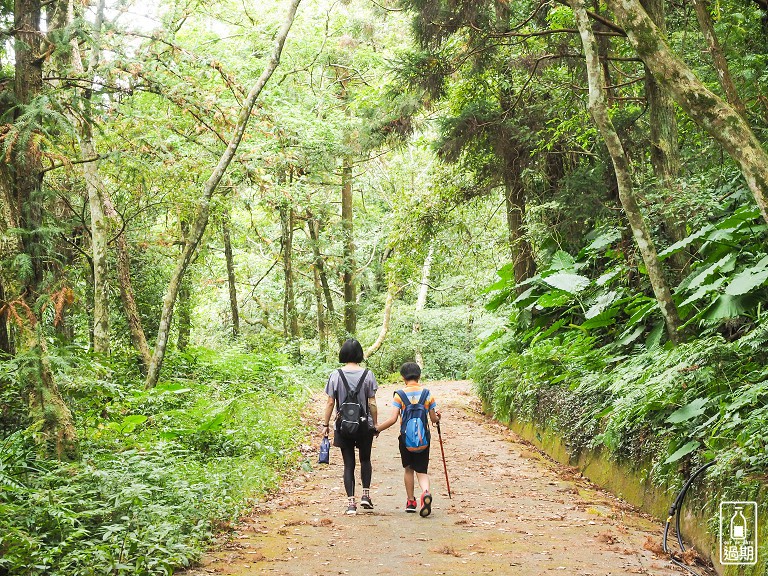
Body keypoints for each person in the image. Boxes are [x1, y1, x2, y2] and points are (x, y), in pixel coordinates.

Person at [376, 361, 441, 517]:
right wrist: (437, 417)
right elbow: (433, 419)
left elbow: (392, 419)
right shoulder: (427, 394)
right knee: (422, 470)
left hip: (405, 439)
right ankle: (425, 492)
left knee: (409, 469)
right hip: (423, 439)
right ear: (419, 376)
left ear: (403, 377)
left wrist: (376, 429)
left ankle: (411, 501)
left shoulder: (399, 395)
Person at [322, 338, 378, 515]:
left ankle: (351, 504)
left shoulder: (335, 375)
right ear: (360, 354)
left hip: (343, 425)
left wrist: (325, 424)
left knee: (348, 465)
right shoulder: (368, 374)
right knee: (365, 460)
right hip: (363, 425)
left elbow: (331, 402)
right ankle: (366, 495)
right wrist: (374, 424)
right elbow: (372, 402)